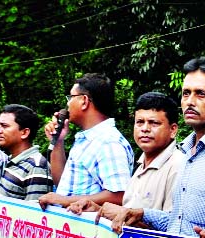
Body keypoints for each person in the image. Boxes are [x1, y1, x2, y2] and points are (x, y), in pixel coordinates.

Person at [98, 58, 205, 238]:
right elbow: (178, 224)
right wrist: (142, 214)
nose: (190, 102)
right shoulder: (187, 152)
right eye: (186, 94)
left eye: (200, 94)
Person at [39, 73, 134, 209]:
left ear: (84, 101)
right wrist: (58, 142)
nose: (67, 104)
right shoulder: (86, 139)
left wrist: (65, 200)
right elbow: (63, 185)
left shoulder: (108, 142)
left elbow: (119, 195)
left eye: (71, 97)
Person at [121, 92, 180, 212]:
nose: (145, 129)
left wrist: (123, 214)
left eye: (154, 123)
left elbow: (173, 225)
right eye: (140, 122)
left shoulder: (178, 166)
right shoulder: (140, 166)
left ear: (173, 130)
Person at [0, 104, 54, 200]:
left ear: (24, 133)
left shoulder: (36, 167)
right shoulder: (13, 160)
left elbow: (33, 212)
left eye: (4, 126)